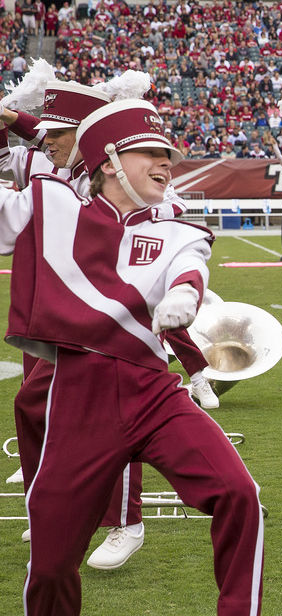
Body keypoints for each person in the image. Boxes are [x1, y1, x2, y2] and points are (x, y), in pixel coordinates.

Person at [0, 98, 264, 616]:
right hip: (77, 397)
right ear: (108, 159)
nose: (166, 163)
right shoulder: (49, 202)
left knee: (238, 491)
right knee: (49, 567)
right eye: (151, 153)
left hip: (152, 390)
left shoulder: (178, 230)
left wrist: (185, 296)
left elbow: (189, 270)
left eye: (167, 153)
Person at [1, 80, 219, 572]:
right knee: (33, 404)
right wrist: (12, 122)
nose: (46, 141)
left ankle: (127, 521)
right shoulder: (67, 169)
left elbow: (172, 232)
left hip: (121, 322)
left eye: (59, 133)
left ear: (87, 133)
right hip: (63, 318)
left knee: (114, 410)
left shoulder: (129, 176)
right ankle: (50, 501)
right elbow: (29, 152)